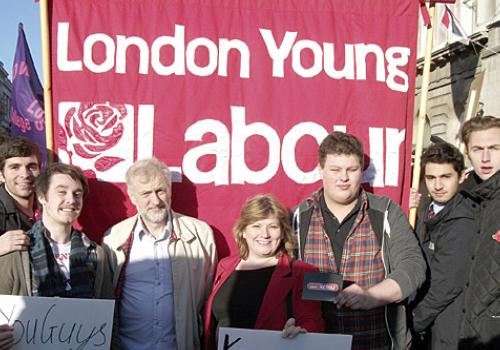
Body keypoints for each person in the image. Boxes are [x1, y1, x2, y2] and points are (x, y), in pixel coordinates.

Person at [292, 131, 426, 350]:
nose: (343, 178)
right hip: (316, 342)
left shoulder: (386, 212)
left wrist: (372, 296)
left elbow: (413, 266)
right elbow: (286, 281)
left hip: (376, 341)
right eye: (335, 170)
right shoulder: (298, 217)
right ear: (321, 170)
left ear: (361, 170)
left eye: (351, 170)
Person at [102, 157, 217, 350]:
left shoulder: (200, 235)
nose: (155, 201)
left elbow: (207, 297)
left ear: (170, 191)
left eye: (160, 190)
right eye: (146, 193)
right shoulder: (113, 239)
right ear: (132, 197)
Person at [203, 194, 324, 350]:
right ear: (243, 231)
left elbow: (314, 321)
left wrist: (301, 331)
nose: (265, 234)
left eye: (273, 227)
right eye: (256, 226)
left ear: (282, 233)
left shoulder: (304, 272)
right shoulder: (224, 266)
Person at [0, 162, 113, 298]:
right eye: (61, 192)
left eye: (77, 194)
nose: (71, 200)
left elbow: (106, 309)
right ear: (42, 197)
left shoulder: (96, 253)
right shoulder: (18, 249)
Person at [411, 142, 475, 350]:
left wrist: (413, 321)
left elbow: (446, 284)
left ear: (461, 176)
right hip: (428, 319)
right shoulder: (424, 209)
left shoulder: (463, 219)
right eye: (431, 178)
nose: (437, 186)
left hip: (446, 325)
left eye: (446, 177)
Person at [458, 116, 500, 349]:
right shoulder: (463, 198)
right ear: (467, 152)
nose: (485, 158)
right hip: (461, 332)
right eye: (477, 149)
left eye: (494, 148)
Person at [0, 136, 41, 256]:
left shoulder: (49, 206)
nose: (25, 174)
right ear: (1, 176)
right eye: (15, 167)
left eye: (31, 167)